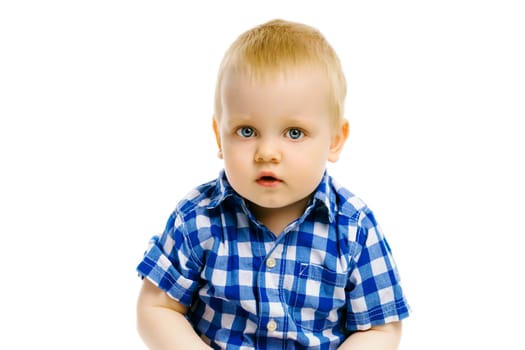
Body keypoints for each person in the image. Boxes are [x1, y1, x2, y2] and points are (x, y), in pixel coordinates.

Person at [136, 18, 410, 349]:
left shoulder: (353, 227)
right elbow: (156, 309)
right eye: (246, 131)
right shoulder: (198, 218)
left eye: (294, 133)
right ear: (219, 136)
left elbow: (381, 329)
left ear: (335, 140)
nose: (267, 153)